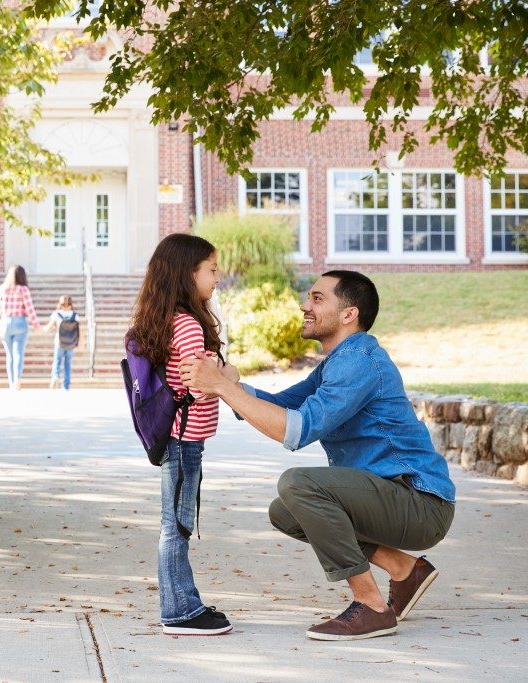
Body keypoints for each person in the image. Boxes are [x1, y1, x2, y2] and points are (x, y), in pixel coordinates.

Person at [179, 270, 455, 641]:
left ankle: (371, 605)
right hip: (390, 497)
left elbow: (296, 430)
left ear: (348, 314)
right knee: (287, 511)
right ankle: (404, 569)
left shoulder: (359, 361)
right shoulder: (337, 362)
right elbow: (283, 406)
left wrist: (222, 388)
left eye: (317, 298)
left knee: (299, 484)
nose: (305, 305)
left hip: (419, 501)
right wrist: (230, 385)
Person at [129, 232, 235, 636]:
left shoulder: (166, 317)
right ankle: (178, 611)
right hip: (184, 439)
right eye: (211, 270)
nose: (216, 279)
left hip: (179, 437)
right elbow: (197, 384)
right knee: (176, 525)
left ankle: (184, 600)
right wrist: (228, 375)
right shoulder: (188, 324)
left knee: (176, 522)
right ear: (187, 274)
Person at [0, 265, 39, 390]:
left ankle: (11, 382)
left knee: (9, 355)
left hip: (4, 323)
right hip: (19, 322)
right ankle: (17, 382)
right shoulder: (23, 289)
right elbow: (30, 308)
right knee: (18, 353)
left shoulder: (2, 289)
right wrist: (36, 324)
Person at [44, 295, 80, 390]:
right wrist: (81, 342)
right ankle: (66, 385)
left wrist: (41, 329)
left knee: (57, 361)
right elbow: (79, 330)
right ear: (71, 304)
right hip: (71, 343)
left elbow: (49, 326)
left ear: (60, 304)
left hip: (59, 342)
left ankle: (55, 377)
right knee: (67, 364)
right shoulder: (75, 315)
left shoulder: (57, 314)